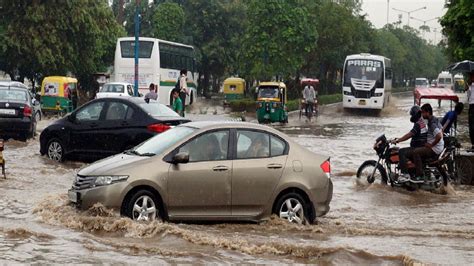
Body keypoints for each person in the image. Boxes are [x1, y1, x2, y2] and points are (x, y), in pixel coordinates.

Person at [408, 103, 444, 183]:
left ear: (428, 112)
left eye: (423, 112)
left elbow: (438, 136)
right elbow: (442, 131)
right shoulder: (435, 119)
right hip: (440, 147)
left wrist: (431, 145)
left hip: (434, 149)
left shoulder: (431, 123)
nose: (422, 115)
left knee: (415, 152)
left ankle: (419, 175)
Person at [392, 105, 428, 179]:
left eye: (412, 114)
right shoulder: (423, 122)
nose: (411, 116)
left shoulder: (418, 124)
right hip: (422, 147)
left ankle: (405, 174)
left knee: (401, 152)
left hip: (417, 148)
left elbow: (410, 134)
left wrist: (398, 140)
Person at [466, 74, 474, 152]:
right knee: (471, 127)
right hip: (471, 107)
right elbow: (469, 98)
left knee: (472, 127)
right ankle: (473, 145)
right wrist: (468, 88)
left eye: (471, 77)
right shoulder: (470, 86)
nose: (469, 78)